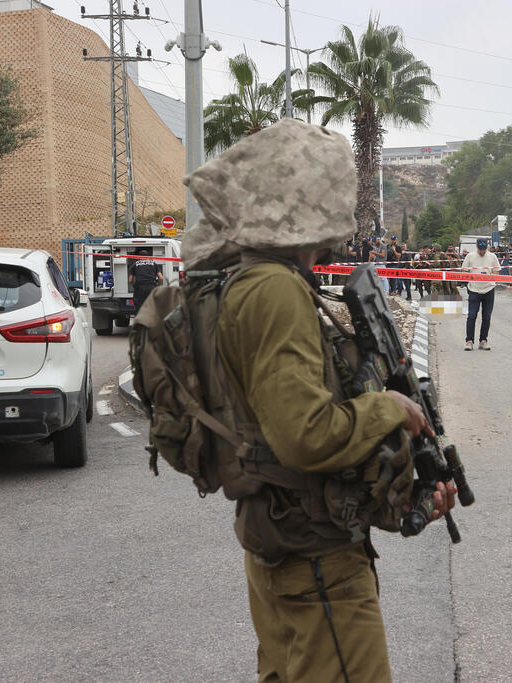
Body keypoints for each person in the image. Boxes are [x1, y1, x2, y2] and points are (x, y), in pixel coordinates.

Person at [183, 120, 457, 682]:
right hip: (316, 564)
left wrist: (404, 496)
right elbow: (304, 435)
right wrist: (391, 408)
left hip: (285, 543)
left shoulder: (248, 281)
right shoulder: (274, 289)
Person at [461, 237, 500, 350]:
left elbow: (496, 272)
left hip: (489, 289)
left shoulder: (492, 257)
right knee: (472, 316)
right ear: (476, 246)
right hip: (474, 290)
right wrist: (471, 277)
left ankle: (483, 340)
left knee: (486, 317)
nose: (482, 252)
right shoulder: (470, 256)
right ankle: (469, 341)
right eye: (480, 249)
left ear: (487, 247)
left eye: (484, 249)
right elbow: (464, 271)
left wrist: (489, 277)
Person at [128, 247, 163, 312]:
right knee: (152, 306)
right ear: (148, 257)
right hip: (151, 287)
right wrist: (158, 286)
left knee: (139, 307)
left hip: (139, 288)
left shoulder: (135, 264)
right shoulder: (153, 264)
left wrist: (134, 285)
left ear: (139, 257)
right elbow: (161, 277)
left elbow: (130, 280)